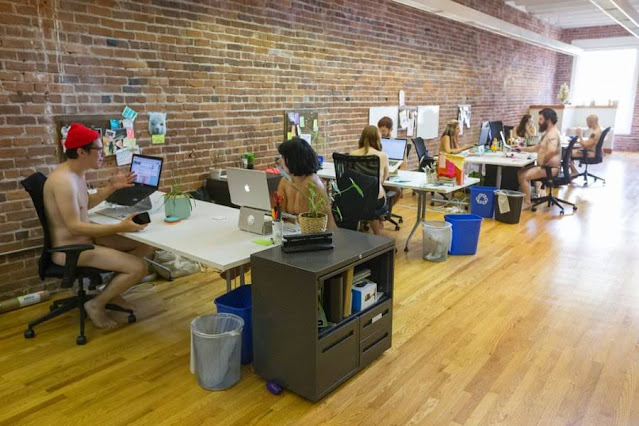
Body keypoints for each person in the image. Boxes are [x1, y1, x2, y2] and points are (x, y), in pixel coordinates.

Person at [44, 123, 154, 329]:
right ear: (81, 152)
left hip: (85, 240)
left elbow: (85, 204)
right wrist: (120, 227)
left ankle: (113, 294)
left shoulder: (76, 173)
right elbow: (75, 227)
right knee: (139, 267)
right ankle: (96, 304)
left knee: (146, 245)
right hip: (71, 250)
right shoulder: (63, 182)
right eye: (99, 150)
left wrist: (112, 187)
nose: (103, 154)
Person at [276, 137, 336, 229]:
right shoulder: (285, 181)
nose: (280, 162)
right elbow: (280, 215)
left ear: (294, 159)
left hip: (316, 233)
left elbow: (321, 224)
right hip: (291, 231)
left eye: (284, 158)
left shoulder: (314, 184)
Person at [516, 108, 562, 210]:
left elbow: (551, 150)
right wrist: (521, 148)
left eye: (541, 119)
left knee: (523, 176)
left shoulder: (552, 134)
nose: (538, 122)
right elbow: (537, 148)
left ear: (548, 120)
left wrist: (543, 161)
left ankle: (527, 202)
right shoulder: (548, 133)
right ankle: (527, 198)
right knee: (520, 172)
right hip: (546, 167)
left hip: (550, 168)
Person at [349, 125, 389, 235]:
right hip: (375, 200)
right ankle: (378, 227)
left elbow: (350, 175)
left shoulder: (353, 154)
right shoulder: (382, 156)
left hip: (355, 197)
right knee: (379, 190)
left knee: (368, 197)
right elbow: (384, 179)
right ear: (378, 139)